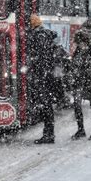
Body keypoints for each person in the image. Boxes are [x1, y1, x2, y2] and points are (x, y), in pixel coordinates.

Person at [27, 14, 57, 144]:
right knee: (47, 104)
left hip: (43, 75)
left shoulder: (39, 36)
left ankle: (49, 135)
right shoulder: (46, 34)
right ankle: (49, 133)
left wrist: (37, 69)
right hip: (48, 74)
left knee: (45, 105)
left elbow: (41, 57)